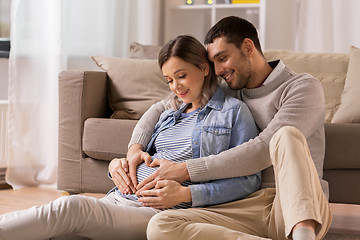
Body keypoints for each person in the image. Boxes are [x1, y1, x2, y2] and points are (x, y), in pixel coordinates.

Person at [0, 35, 261, 240]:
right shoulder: (170, 113)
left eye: (181, 76)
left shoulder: (233, 112)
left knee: (71, 209)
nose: (176, 87)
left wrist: (186, 194)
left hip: (161, 212)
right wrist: (118, 166)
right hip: (120, 198)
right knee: (58, 232)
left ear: (204, 68)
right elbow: (139, 155)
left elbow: (249, 180)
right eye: (169, 80)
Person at [118, 16, 333, 240]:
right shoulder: (229, 88)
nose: (218, 70)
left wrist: (186, 170)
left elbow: (263, 150)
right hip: (242, 206)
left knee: (285, 135)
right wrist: (135, 148)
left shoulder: (302, 87)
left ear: (248, 47)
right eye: (214, 63)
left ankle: (303, 234)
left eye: (223, 58)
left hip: (293, 204)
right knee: (160, 226)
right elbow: (161, 107)